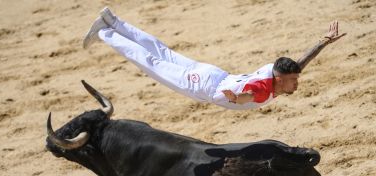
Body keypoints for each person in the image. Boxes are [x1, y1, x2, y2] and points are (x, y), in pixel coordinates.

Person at [83, 7, 346, 110]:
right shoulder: (264, 90)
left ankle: (112, 20)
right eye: (292, 81)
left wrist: (323, 42)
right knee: (152, 63)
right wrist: (235, 98)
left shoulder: (276, 72)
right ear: (278, 79)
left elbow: (300, 62)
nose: (296, 85)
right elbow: (249, 96)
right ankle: (105, 32)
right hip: (204, 85)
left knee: (162, 52)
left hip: (212, 73)